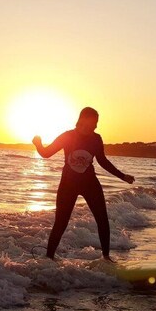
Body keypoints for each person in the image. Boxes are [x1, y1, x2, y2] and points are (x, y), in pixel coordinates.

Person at [33, 107, 135, 260]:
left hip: (90, 183)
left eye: (92, 126)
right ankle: (49, 259)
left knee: (102, 220)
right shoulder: (67, 136)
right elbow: (46, 153)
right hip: (68, 184)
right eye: (85, 125)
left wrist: (122, 176)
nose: (88, 129)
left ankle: (106, 258)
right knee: (60, 223)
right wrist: (38, 144)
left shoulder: (96, 139)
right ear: (78, 122)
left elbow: (102, 161)